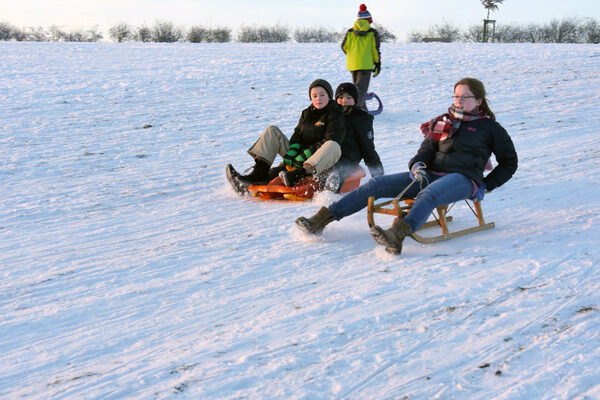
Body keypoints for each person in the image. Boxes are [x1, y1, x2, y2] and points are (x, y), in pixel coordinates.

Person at [296, 78, 518, 255]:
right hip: (430, 173)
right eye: (456, 96)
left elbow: (510, 161)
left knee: (429, 194)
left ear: (478, 100)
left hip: (463, 178)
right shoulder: (444, 121)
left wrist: (486, 185)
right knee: (377, 184)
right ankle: (321, 219)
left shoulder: (489, 127)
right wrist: (418, 164)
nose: (459, 101)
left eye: (465, 97)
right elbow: (426, 149)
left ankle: (397, 235)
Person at [226, 79, 346, 194]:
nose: (318, 98)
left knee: (333, 145)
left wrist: (306, 155)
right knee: (272, 130)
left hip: (319, 161)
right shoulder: (307, 113)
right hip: (299, 157)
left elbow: (331, 138)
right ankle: (259, 173)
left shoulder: (335, 114)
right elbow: (298, 134)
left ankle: (299, 174)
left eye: (322, 95)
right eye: (314, 96)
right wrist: (293, 151)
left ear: (329, 96)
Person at [325, 82, 384, 192]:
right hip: (331, 153)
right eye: (341, 97)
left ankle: (329, 191)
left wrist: (379, 176)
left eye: (349, 97)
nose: (344, 101)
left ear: (355, 100)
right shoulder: (332, 115)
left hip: (349, 157)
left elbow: (368, 149)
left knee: (339, 169)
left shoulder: (360, 119)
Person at [341, 4, 381, 111]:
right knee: (361, 90)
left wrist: (353, 56)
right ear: (369, 20)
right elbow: (375, 50)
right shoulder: (372, 33)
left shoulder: (350, 32)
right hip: (365, 65)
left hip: (352, 64)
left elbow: (344, 47)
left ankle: (362, 109)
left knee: (357, 88)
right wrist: (377, 63)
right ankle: (354, 111)